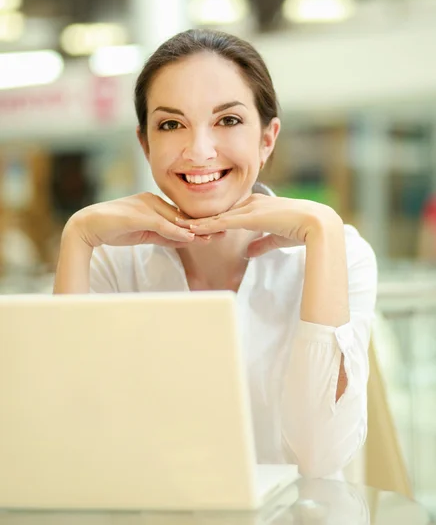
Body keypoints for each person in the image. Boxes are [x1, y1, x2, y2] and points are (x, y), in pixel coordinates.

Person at [54, 29, 377, 479]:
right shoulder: (113, 259)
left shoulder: (339, 253)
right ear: (145, 143)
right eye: (171, 124)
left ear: (267, 139)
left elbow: (319, 455)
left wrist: (323, 231)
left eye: (227, 121)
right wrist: (78, 237)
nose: (199, 151)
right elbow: (69, 438)